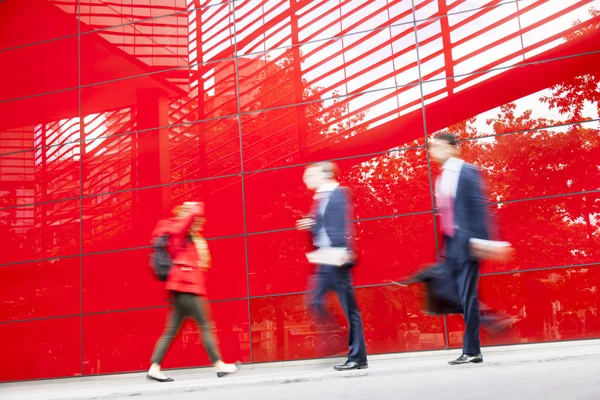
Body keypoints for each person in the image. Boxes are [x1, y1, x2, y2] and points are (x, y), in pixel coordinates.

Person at [428, 132, 510, 365]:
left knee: (466, 296)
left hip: (468, 244)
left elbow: (480, 207)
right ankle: (492, 320)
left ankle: (472, 350)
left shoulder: (468, 171)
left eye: (437, 146)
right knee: (452, 293)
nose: (433, 151)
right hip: (451, 247)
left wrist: (486, 242)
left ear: (452, 148)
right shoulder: (441, 178)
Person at [147, 202, 238, 382]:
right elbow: (192, 215)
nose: (198, 222)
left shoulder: (182, 236)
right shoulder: (178, 234)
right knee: (205, 326)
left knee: (170, 332)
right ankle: (219, 365)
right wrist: (192, 207)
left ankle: (154, 368)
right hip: (187, 287)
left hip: (180, 288)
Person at [296, 161, 368, 371]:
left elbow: (343, 224)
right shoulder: (319, 199)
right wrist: (310, 224)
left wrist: (346, 249)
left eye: (310, 174)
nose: (306, 178)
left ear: (324, 174)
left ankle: (357, 357)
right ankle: (338, 339)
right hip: (324, 260)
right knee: (314, 301)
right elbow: (323, 226)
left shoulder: (339, 193)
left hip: (338, 258)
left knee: (350, 309)